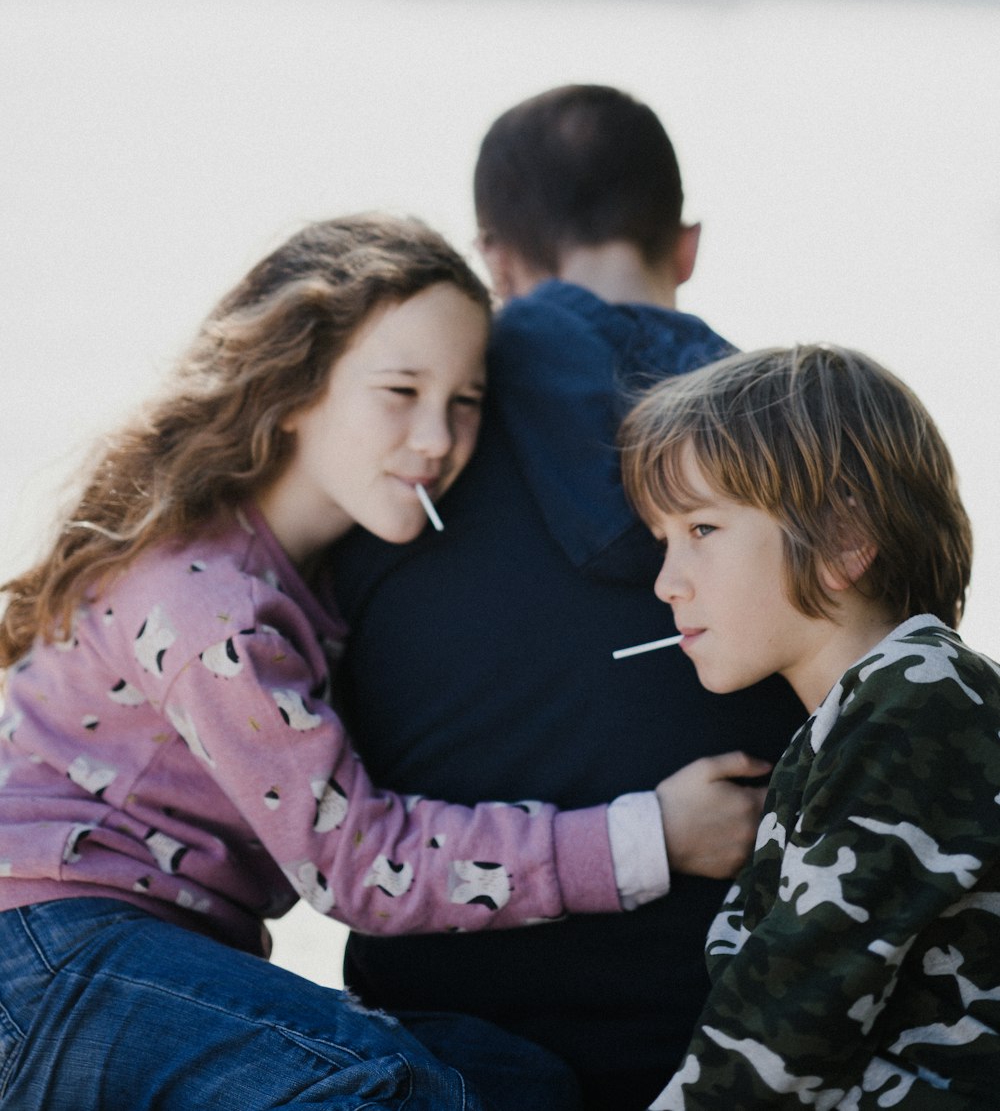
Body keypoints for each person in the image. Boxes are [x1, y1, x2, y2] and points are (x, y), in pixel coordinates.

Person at [0, 212, 704, 1111]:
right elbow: (362, 863)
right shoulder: (210, 607)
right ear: (294, 387)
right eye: (400, 390)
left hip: (133, 959)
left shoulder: (307, 584)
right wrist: (652, 834)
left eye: (466, 399)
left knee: (520, 1082)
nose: (438, 438)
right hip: (47, 954)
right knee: (403, 1094)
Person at [330, 87, 806, 1109]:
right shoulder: (807, 446)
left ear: (494, 262)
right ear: (684, 245)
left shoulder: (401, 449)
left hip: (431, 1047)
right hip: (720, 1043)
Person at [619, 344, 998, 1110]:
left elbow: (787, 1023)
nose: (666, 582)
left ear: (841, 540)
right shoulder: (855, 713)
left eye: (700, 529)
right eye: (663, 540)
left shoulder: (920, 700)